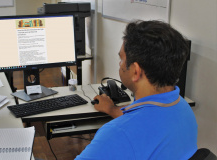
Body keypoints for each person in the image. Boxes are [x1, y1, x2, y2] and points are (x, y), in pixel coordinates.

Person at [75, 20, 198, 160]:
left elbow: (135, 131)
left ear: (135, 71)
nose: (120, 64)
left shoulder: (116, 134)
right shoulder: (183, 108)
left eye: (121, 59)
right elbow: (146, 127)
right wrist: (111, 109)